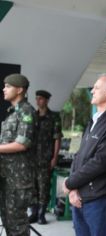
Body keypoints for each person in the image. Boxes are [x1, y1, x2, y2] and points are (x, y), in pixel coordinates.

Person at [62, 74, 106, 236]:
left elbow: (100, 162)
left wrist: (70, 182)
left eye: (97, 88)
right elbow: (79, 157)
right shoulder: (94, 121)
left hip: (99, 197)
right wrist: (72, 188)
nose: (92, 91)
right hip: (80, 195)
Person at [0, 74, 36, 236]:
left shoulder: (26, 111)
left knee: (17, 225)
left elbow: (22, 144)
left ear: (20, 89)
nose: (4, 89)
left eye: (8, 86)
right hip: (7, 177)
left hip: (19, 180)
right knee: (8, 221)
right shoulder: (13, 113)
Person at [27, 90, 63, 224]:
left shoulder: (54, 117)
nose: (38, 101)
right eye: (37, 99)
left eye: (41, 99)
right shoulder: (32, 116)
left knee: (44, 187)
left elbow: (57, 138)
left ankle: (42, 214)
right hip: (31, 158)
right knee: (32, 187)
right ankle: (34, 213)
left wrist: (54, 157)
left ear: (47, 100)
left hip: (45, 158)